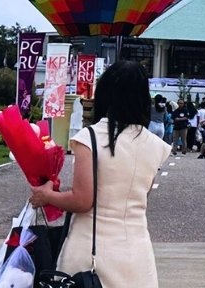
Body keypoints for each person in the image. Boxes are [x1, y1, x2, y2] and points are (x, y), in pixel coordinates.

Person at [28, 60, 169, 288]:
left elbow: (82, 201)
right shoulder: (155, 145)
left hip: (91, 253)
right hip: (138, 253)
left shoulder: (90, 138)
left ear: (105, 93)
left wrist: (47, 196)